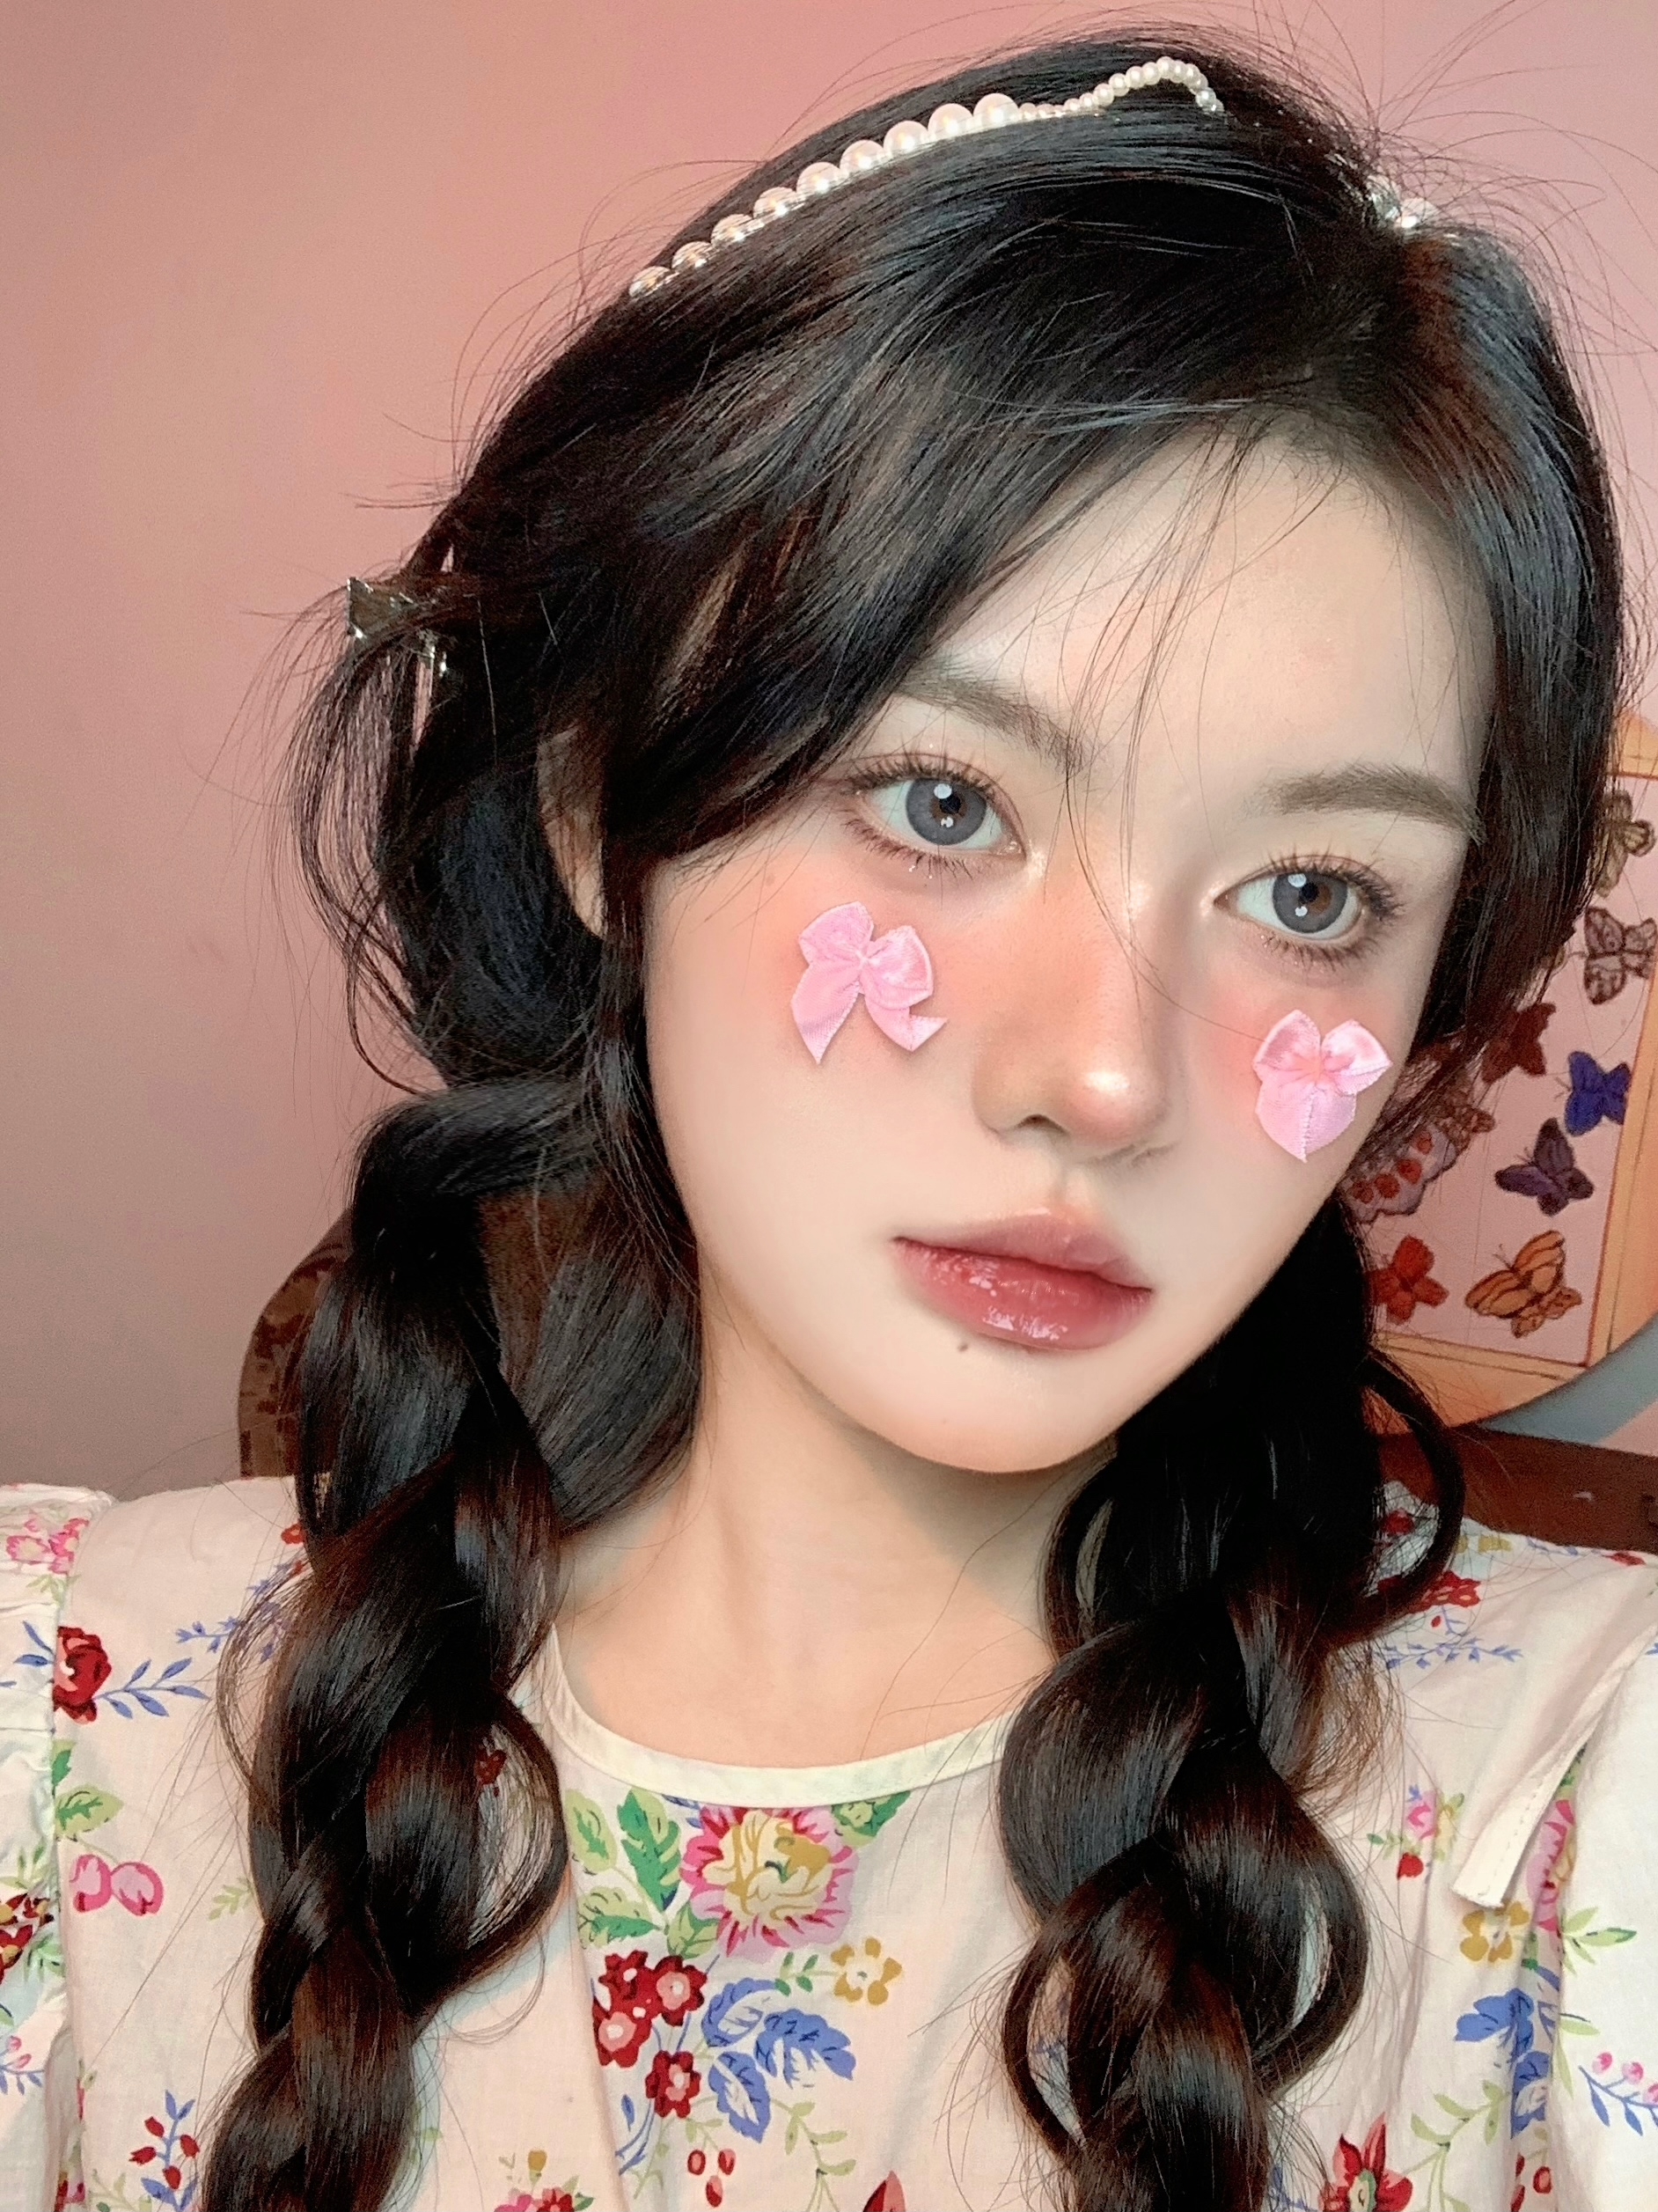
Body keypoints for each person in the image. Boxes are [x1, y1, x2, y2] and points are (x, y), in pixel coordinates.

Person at [4, 30, 1654, 2212]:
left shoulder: (1576, 1828)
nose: (1102, 1077)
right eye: (942, 801)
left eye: (1312, 896)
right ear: (596, 812)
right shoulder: (65, 1719)